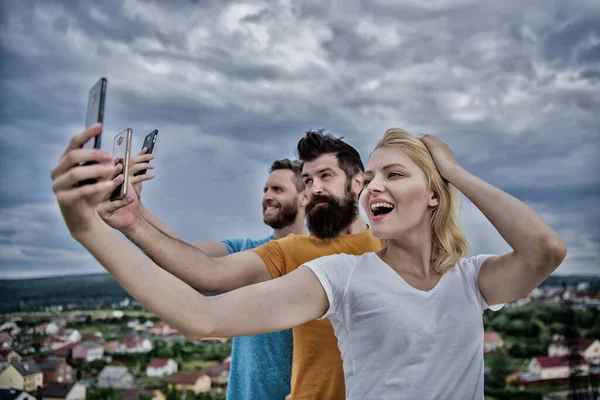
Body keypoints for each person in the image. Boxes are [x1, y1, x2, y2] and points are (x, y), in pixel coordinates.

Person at [52, 124, 382, 399]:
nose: (315, 189)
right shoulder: (281, 251)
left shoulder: (391, 248)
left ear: (357, 183)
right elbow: (196, 268)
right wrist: (132, 219)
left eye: (325, 176)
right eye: (309, 180)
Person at [97, 151, 308, 400]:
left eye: (277, 189)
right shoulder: (245, 250)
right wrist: (136, 210)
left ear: (305, 197)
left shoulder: (319, 260)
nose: (267, 197)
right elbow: (186, 257)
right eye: (265, 190)